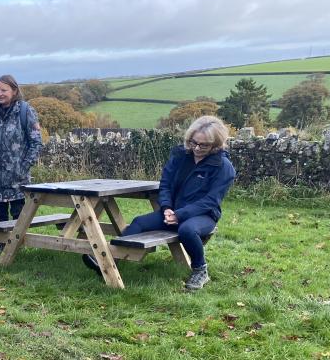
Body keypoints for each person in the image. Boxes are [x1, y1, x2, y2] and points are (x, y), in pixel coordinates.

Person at [83, 115, 235, 291]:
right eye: (194, 142)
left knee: (187, 230)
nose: (197, 148)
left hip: (203, 216)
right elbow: (166, 185)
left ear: (216, 144)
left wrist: (180, 215)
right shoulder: (180, 155)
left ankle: (200, 270)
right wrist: (167, 208)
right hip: (172, 212)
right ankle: (108, 260)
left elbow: (211, 200)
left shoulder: (223, 167)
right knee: (139, 222)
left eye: (204, 145)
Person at [0, 74, 43, 225]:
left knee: (18, 216)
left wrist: (23, 167)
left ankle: (18, 247)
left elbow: (36, 142)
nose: (0, 94)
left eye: (4, 90)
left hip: (17, 179)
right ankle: (1, 246)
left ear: (14, 91)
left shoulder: (25, 111)